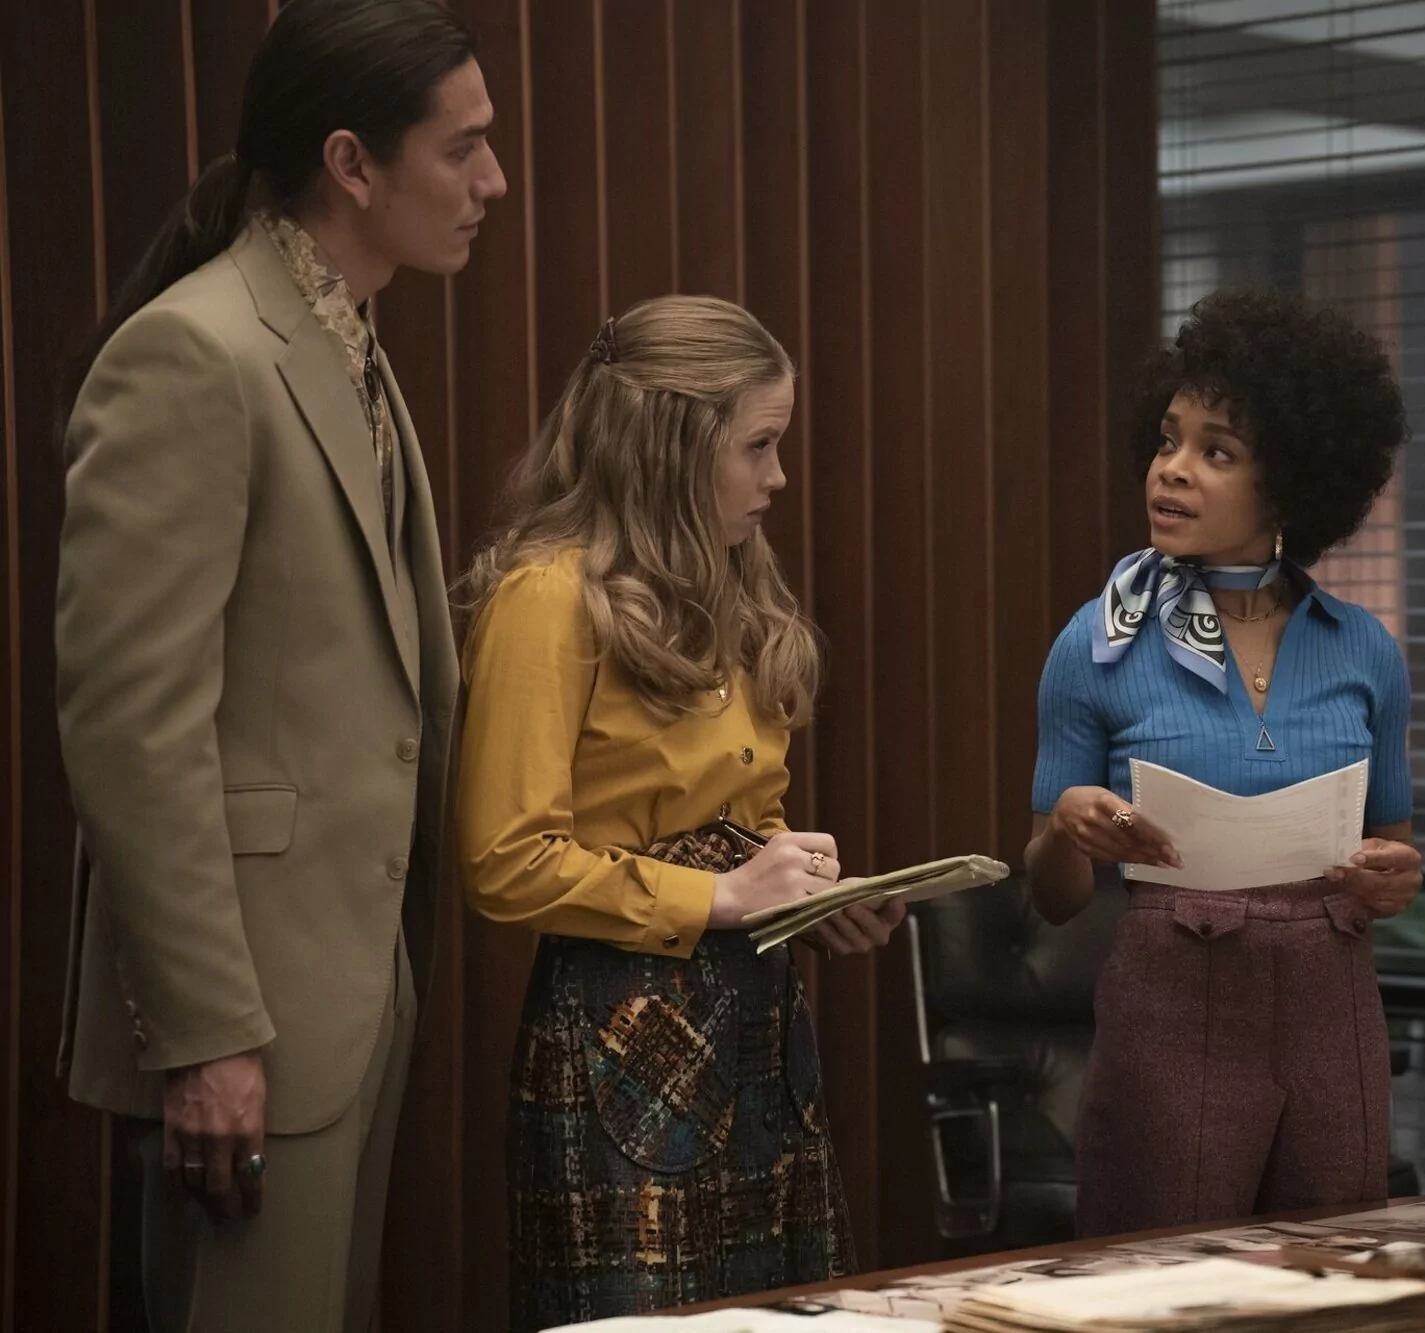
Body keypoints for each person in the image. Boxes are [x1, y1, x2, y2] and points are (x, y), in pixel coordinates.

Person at [52, 2, 506, 1329]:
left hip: (352, 988)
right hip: (244, 1015)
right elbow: (133, 730)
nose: (493, 180)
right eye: (462, 147)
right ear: (351, 163)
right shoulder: (194, 350)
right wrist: (204, 1033)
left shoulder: (341, 335)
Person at [454, 296, 901, 1329]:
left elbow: (744, 826)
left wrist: (810, 893)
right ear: (672, 445)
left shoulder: (733, 581)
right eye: (758, 445)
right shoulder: (547, 595)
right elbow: (505, 860)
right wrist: (723, 896)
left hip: (761, 1028)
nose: (777, 478)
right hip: (622, 1039)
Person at [1024, 288, 1424, 1236]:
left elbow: (1394, 860)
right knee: (1159, 1270)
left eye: (1217, 451)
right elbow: (1053, 895)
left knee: (1334, 1268)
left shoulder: (1365, 649)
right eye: (1168, 441)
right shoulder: (1095, 644)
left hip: (1332, 1007)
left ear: (1287, 485)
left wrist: (1394, 878)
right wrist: (1070, 829)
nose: (1172, 469)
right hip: (1172, 1003)